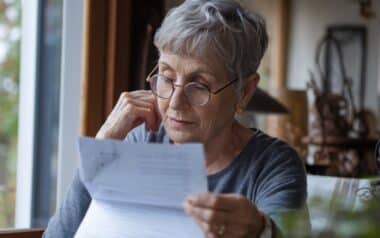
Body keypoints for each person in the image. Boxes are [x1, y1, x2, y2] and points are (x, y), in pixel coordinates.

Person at [44, 0, 308, 237]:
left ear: (245, 91)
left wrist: (260, 230)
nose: (174, 102)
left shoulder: (273, 165)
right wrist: (100, 153)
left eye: (199, 85)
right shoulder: (141, 140)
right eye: (167, 78)